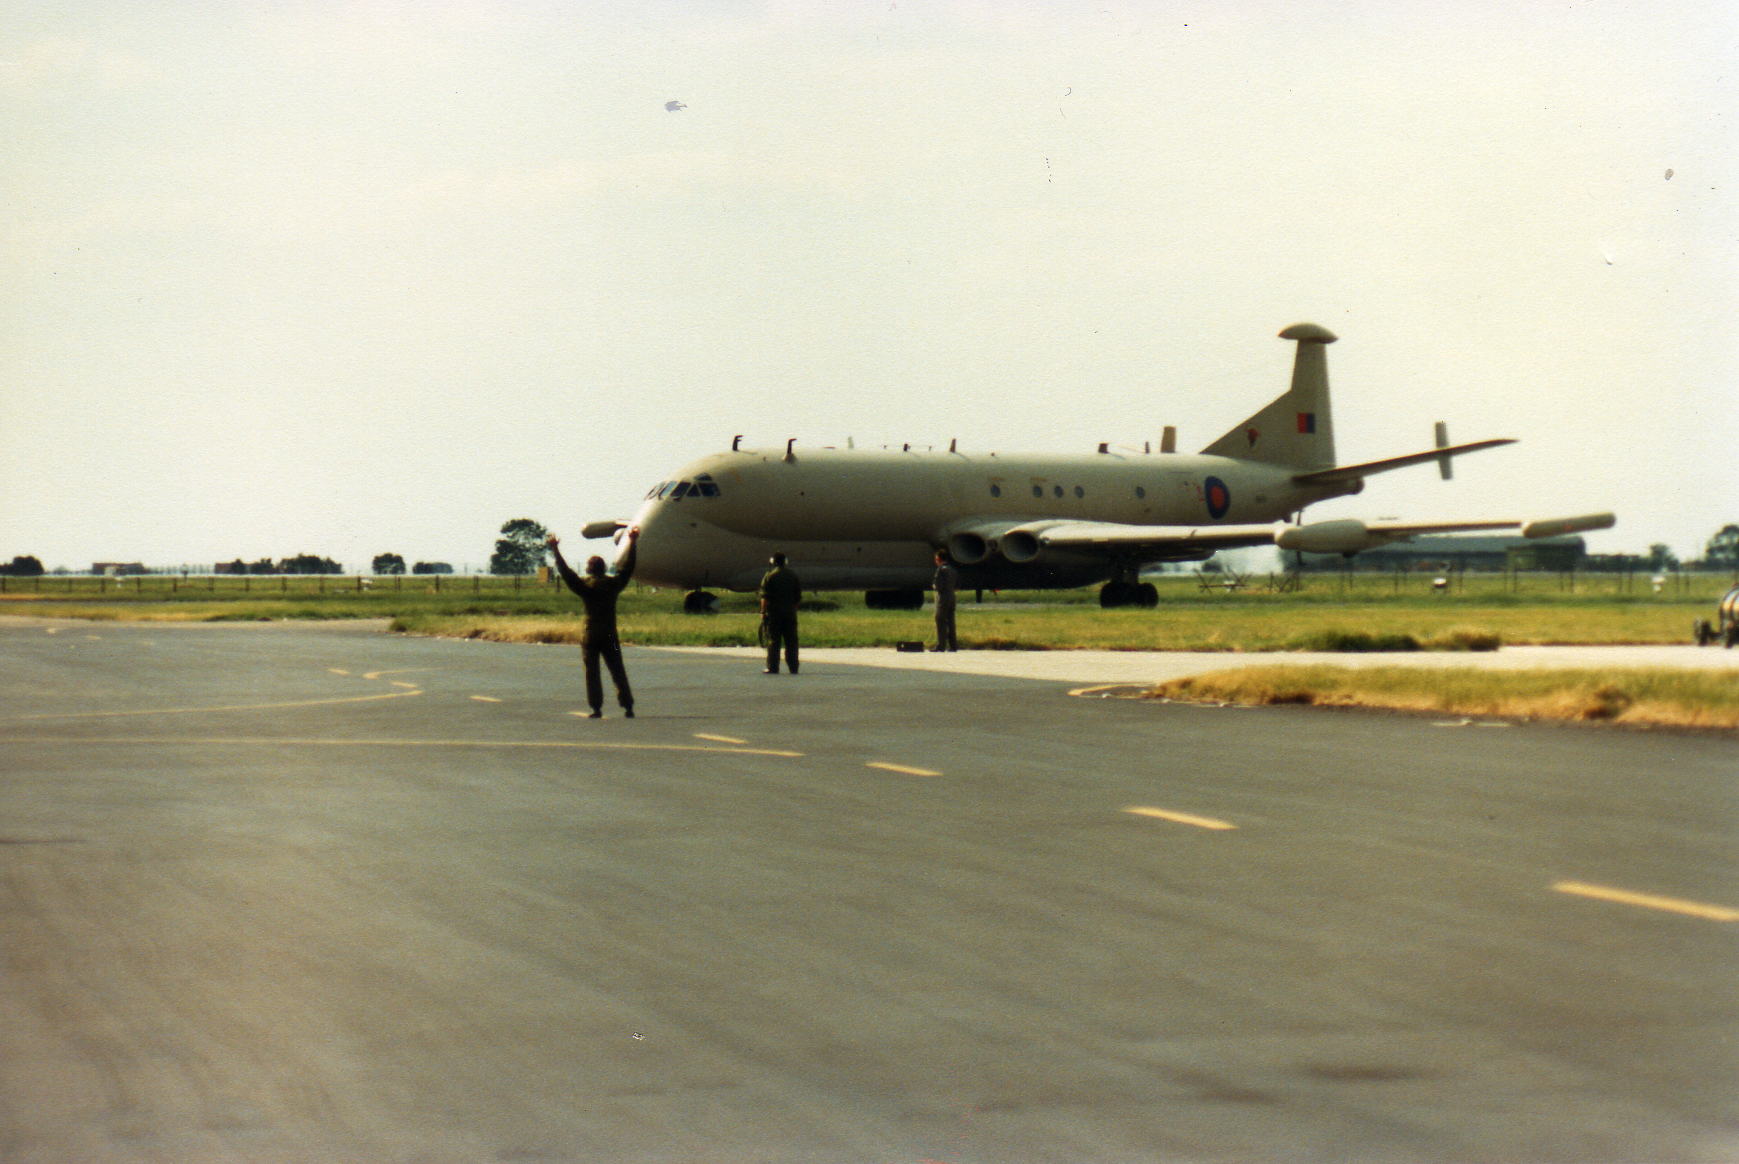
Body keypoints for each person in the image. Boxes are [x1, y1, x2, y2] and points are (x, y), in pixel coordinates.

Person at [549, 527, 639, 717]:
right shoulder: (613, 585)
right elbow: (627, 568)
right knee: (617, 670)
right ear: (604, 568)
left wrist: (555, 550)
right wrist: (632, 541)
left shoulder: (585, 587)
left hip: (590, 634)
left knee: (592, 672)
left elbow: (567, 573)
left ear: (589, 569)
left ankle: (596, 707)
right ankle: (627, 705)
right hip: (609, 633)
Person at [758, 551, 802, 674]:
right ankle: (794, 667)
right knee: (792, 641)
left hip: (774, 614)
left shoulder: (769, 576)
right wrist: (792, 609)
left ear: (773, 562)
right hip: (790, 613)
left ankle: (773, 667)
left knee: (773, 640)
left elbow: (764, 597)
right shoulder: (793, 575)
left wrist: (763, 612)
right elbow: (798, 597)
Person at [931, 549, 959, 652]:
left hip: (943, 598)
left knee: (940, 620)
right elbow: (957, 585)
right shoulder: (953, 569)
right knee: (951, 621)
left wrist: (934, 586)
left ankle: (941, 645)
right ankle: (953, 645)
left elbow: (938, 585)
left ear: (938, 559)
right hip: (952, 597)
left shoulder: (941, 570)